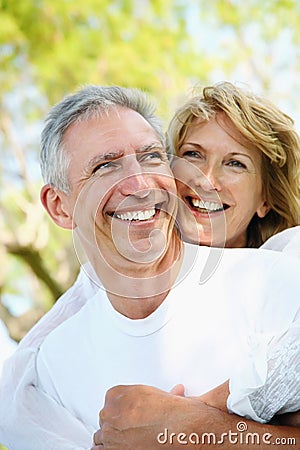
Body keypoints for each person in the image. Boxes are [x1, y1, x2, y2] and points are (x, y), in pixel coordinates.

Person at [0, 85, 299, 450]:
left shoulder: (274, 281)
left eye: (150, 156)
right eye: (105, 165)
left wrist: (196, 428)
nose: (139, 184)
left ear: (265, 199)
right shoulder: (53, 362)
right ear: (60, 207)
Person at [168, 81, 300, 249]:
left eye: (235, 164)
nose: (207, 181)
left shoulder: (286, 271)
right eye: (193, 154)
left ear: (265, 201)